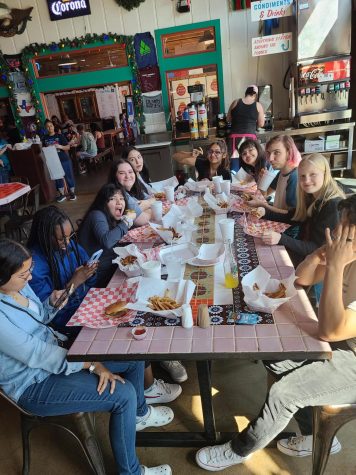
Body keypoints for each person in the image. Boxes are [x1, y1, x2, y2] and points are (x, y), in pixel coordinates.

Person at [195, 194, 356, 471]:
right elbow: (301, 279)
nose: (338, 235)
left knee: (284, 394)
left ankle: (239, 449)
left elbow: (330, 330)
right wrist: (319, 255)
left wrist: (337, 267)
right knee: (274, 355)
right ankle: (313, 431)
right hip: (341, 342)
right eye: (340, 226)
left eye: (346, 231)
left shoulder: (348, 256)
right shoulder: (348, 251)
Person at [0, 238, 173, 475]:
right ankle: (131, 473)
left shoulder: (17, 285)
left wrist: (54, 301)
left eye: (29, 271)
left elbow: (39, 317)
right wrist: (91, 364)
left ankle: (139, 415)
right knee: (123, 394)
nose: (29, 278)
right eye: (23, 275)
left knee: (132, 356)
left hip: (57, 354)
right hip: (32, 383)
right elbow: (36, 354)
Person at [78, 184, 188, 386]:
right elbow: (107, 241)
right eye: (113, 199)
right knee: (142, 299)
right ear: (103, 202)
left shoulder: (111, 217)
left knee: (154, 283)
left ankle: (162, 353)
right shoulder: (96, 215)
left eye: (121, 198)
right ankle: (155, 363)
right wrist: (126, 221)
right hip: (97, 281)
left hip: (110, 270)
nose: (119, 202)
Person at [261, 153, 345, 265]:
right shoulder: (311, 196)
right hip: (304, 254)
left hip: (318, 264)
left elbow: (317, 248)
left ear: (325, 174)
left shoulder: (332, 205)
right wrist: (265, 213)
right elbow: (294, 216)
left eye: (313, 174)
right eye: (302, 176)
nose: (306, 181)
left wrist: (281, 239)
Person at [27, 206, 97, 334]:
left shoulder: (70, 246)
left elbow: (92, 283)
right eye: (61, 239)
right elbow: (49, 313)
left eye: (70, 236)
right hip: (65, 319)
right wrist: (74, 283)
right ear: (44, 236)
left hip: (87, 302)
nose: (68, 242)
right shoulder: (33, 267)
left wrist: (90, 273)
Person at [247, 134, 302, 216]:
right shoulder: (281, 172)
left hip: (288, 225)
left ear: (289, 152)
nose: (270, 158)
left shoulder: (294, 177)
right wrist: (262, 180)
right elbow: (264, 195)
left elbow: (292, 215)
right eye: (269, 153)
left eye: (276, 152)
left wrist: (263, 205)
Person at [42, 119, 76, 202]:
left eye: (51, 126)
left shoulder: (60, 136)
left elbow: (67, 147)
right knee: (57, 177)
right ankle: (62, 194)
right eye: (47, 127)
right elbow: (43, 149)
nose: (49, 128)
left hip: (63, 159)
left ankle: (72, 193)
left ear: (53, 127)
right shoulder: (44, 138)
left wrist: (60, 146)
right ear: (45, 128)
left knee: (68, 176)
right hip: (52, 161)